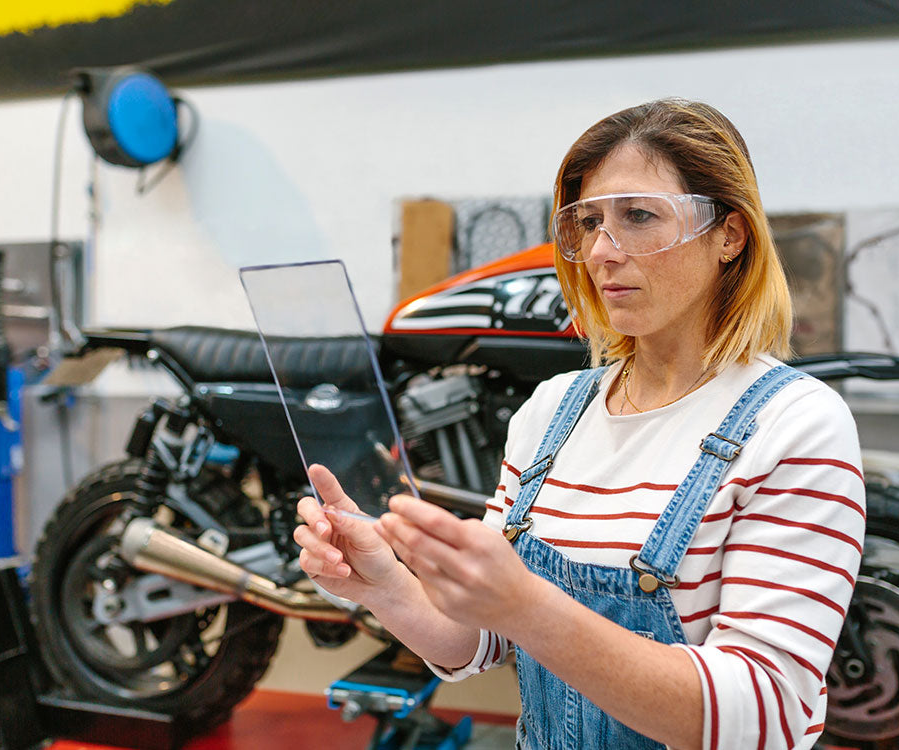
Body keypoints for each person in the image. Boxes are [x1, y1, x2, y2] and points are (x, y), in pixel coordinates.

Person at [295, 98, 865, 750]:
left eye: (639, 217)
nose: (600, 251)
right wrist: (386, 586)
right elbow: (484, 640)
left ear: (729, 235)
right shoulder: (552, 413)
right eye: (589, 222)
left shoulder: (793, 425)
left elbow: (764, 713)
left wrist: (528, 607)